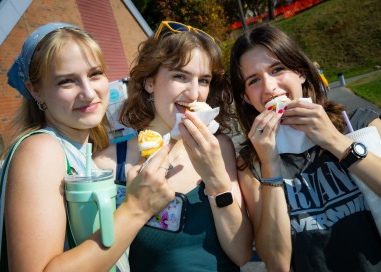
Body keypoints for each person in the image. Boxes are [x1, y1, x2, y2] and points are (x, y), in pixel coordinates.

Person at [0, 22, 174, 271]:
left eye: (95, 74)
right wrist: (137, 208)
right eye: (67, 81)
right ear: (35, 91)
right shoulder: (41, 151)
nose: (89, 93)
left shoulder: (79, 148)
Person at [94, 21, 253, 271]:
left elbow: (242, 253)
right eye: (180, 76)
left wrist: (216, 181)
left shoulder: (218, 146)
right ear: (149, 82)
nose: (194, 93)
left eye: (203, 80)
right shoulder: (109, 164)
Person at [229, 25, 381, 271]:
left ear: (300, 72)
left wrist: (334, 140)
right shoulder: (251, 164)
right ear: (246, 97)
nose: (268, 87)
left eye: (277, 69)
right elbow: (277, 263)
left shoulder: (359, 124)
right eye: (254, 80)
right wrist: (270, 166)